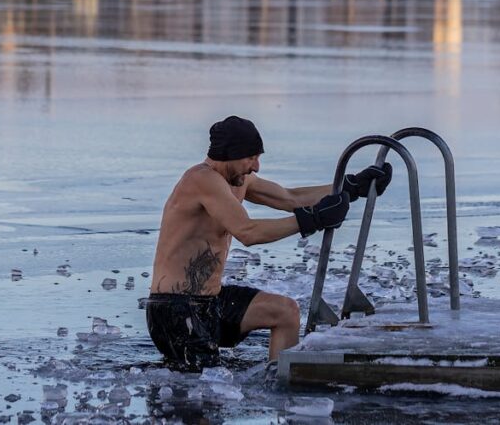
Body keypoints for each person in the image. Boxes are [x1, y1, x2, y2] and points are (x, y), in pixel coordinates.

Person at [146, 116, 392, 369]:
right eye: (251, 158)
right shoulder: (201, 179)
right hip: (175, 310)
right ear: (230, 153)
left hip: (213, 301)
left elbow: (290, 198)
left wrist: (350, 187)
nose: (256, 167)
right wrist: (312, 220)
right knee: (209, 389)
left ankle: (279, 385)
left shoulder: (239, 181)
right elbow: (248, 231)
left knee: (284, 312)